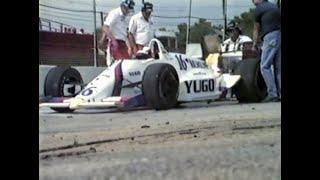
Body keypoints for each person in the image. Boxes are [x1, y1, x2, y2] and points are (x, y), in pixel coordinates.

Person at [252, 0, 281, 102]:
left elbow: (256, 29)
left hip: (271, 37)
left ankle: (272, 93)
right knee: (278, 68)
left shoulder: (259, 9)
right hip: (279, 35)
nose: (252, 1)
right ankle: (279, 94)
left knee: (264, 66)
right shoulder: (274, 6)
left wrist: (254, 44)